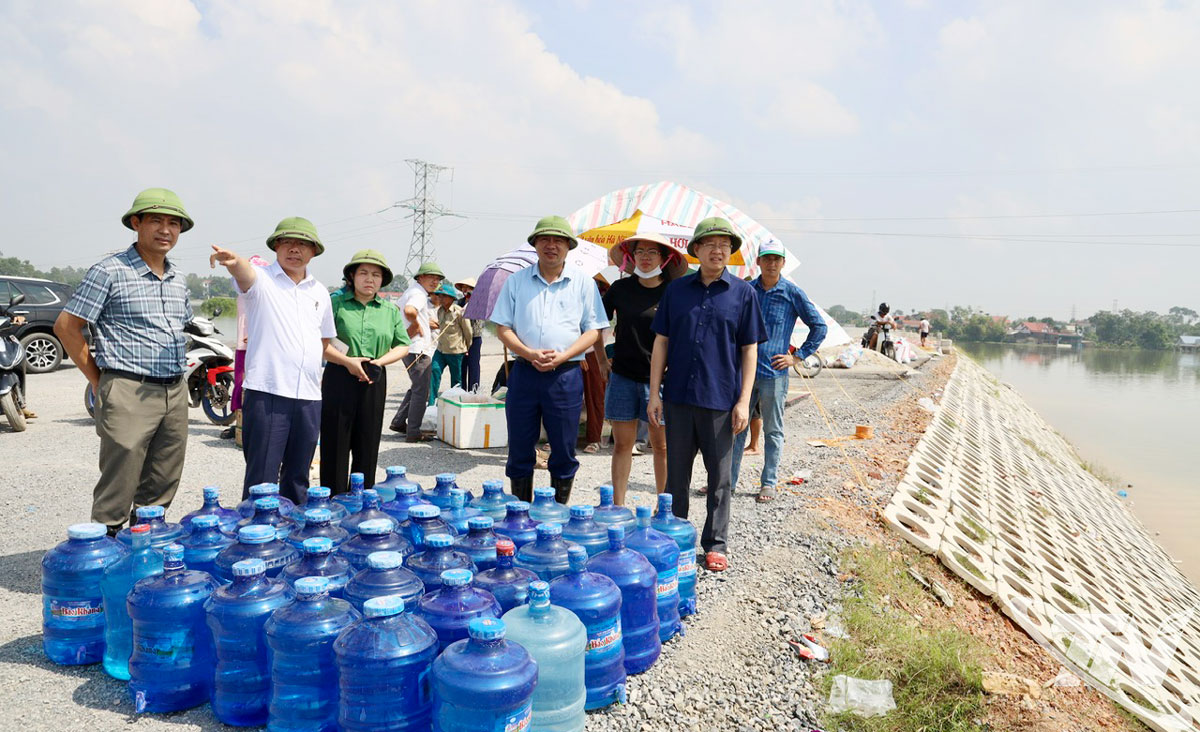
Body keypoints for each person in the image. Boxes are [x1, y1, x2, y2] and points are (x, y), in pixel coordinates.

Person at [53, 188, 195, 535]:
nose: (166, 230)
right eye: (156, 221)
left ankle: (145, 545)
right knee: (120, 480)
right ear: (136, 223)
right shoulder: (110, 271)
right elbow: (67, 327)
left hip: (174, 390)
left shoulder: (178, 279)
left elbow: (181, 327)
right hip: (128, 387)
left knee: (163, 477)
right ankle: (107, 547)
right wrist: (98, 379)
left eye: (174, 223)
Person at [210, 217, 366, 504]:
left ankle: (292, 527)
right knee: (262, 478)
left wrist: (347, 362)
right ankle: (257, 530)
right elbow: (244, 273)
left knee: (298, 476)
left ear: (314, 251)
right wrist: (234, 261)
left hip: (309, 397)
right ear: (276, 246)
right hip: (268, 393)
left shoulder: (319, 292)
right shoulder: (261, 279)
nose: (295, 249)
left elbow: (323, 343)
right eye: (288, 242)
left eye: (303, 244)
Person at [648, 217, 765, 572]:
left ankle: (715, 544)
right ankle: (674, 537)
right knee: (676, 476)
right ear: (696, 250)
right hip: (679, 398)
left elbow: (750, 349)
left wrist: (744, 401)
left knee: (720, 479)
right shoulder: (676, 291)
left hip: (721, 401)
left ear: (730, 252)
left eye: (724, 245)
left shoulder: (743, 294)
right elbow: (661, 342)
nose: (717, 251)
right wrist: (654, 394)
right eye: (710, 244)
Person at [490, 215, 607, 503]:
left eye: (558, 241)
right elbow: (502, 327)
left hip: (565, 375)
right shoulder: (516, 282)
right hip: (524, 372)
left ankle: (557, 511)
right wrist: (528, 352)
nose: (551, 246)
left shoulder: (583, 283)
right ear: (535, 244)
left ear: (569, 247)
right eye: (545, 239)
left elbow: (593, 330)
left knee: (564, 447)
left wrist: (565, 355)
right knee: (520, 445)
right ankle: (520, 511)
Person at [730, 240, 827, 503]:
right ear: (758, 262)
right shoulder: (747, 290)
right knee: (736, 428)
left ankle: (769, 483)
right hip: (743, 373)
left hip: (773, 373)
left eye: (776, 259)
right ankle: (727, 483)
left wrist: (797, 356)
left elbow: (819, 326)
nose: (771, 263)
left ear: (783, 263)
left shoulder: (792, 292)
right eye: (767, 258)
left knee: (773, 430)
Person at [593, 232, 685, 503]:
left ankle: (663, 505)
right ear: (631, 257)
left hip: (661, 381)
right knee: (622, 445)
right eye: (640, 251)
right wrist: (601, 360)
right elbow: (596, 324)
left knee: (662, 446)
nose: (645, 257)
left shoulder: (673, 292)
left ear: (664, 258)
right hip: (622, 376)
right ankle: (618, 505)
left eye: (652, 252)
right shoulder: (620, 289)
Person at [320, 250, 411, 494]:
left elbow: (403, 345)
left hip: (374, 376)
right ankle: (333, 499)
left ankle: (362, 499)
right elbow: (321, 343)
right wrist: (348, 362)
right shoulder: (335, 304)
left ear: (382, 280)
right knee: (335, 440)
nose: (369, 279)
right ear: (352, 276)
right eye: (363, 273)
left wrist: (380, 362)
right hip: (340, 374)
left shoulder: (389, 310)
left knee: (368, 442)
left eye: (376, 275)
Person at [389, 261, 444, 442]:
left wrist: (415, 324)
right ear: (420, 277)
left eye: (437, 279)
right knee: (422, 391)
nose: (435, 282)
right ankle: (413, 432)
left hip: (411, 347)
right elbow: (409, 310)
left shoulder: (411, 291)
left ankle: (399, 422)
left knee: (417, 387)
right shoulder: (418, 294)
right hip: (418, 348)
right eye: (431, 277)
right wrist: (415, 324)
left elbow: (397, 310)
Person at [428, 281, 471, 405]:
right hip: (440, 350)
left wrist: (467, 348)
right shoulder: (440, 311)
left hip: (455, 352)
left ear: (451, 298)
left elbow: (468, 332)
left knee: (456, 381)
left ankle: (454, 404)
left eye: (443, 296)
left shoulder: (459, 312)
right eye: (439, 296)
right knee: (434, 371)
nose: (440, 298)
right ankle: (431, 404)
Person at [455, 276, 485, 392]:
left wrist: (470, 304)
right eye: (463, 287)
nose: (465, 290)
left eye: (468, 288)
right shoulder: (459, 302)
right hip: (461, 338)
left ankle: (474, 390)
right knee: (462, 365)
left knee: (473, 364)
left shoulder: (479, 302)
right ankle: (461, 390)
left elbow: (478, 318)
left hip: (475, 337)